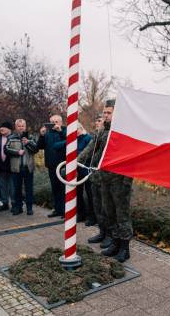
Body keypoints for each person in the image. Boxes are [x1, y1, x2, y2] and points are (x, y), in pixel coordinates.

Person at [99, 99, 134, 263]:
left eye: (108, 112)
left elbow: (132, 158)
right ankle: (115, 243)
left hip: (120, 181)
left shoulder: (125, 132)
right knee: (109, 213)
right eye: (104, 112)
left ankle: (124, 249)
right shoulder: (104, 131)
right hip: (106, 179)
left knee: (122, 217)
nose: (105, 115)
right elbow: (93, 147)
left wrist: (127, 182)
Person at [78, 114, 112, 248]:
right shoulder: (97, 135)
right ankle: (102, 232)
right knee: (97, 205)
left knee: (106, 208)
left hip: (107, 176)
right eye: (97, 120)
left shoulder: (109, 134)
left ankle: (110, 235)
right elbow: (89, 149)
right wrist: (77, 161)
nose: (98, 122)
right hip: (95, 176)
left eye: (100, 120)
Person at [55, 122, 91, 222]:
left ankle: (92, 217)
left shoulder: (88, 138)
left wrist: (76, 156)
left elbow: (89, 152)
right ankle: (81, 215)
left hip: (86, 169)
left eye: (76, 130)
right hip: (76, 170)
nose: (75, 133)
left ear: (81, 128)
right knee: (78, 194)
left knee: (89, 194)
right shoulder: (73, 139)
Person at [5, 119, 38, 215]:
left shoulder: (31, 137)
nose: (21, 128)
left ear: (25, 126)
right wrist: (17, 152)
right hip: (16, 168)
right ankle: (18, 207)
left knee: (29, 189)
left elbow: (35, 149)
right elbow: (6, 149)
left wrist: (28, 142)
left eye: (22, 126)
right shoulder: (11, 137)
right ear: (16, 127)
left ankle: (29, 208)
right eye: (19, 126)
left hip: (28, 168)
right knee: (17, 189)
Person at [38, 114, 66, 218]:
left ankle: (65, 211)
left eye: (56, 122)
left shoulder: (65, 130)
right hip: (51, 165)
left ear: (60, 122)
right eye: (52, 122)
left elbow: (70, 141)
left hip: (62, 165)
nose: (54, 124)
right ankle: (57, 209)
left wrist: (60, 131)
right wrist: (41, 135)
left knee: (63, 189)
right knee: (55, 189)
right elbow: (40, 146)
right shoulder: (47, 133)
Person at [0, 122, 14, 211]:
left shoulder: (14, 138)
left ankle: (14, 204)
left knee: (13, 187)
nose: (1, 129)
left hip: (12, 166)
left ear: (9, 129)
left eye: (4, 127)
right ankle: (5, 204)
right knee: (2, 187)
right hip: (0, 166)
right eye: (1, 127)